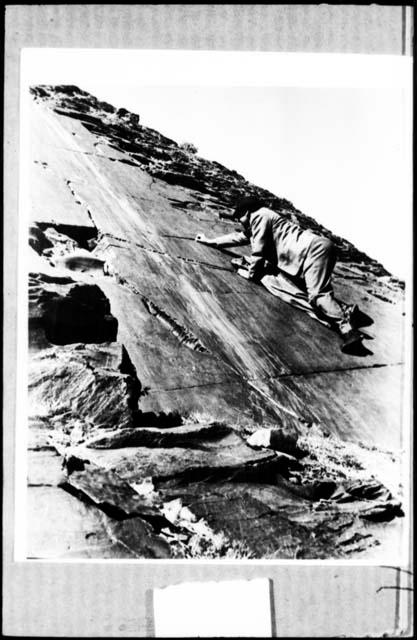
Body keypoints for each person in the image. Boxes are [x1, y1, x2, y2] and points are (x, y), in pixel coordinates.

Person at [195, 196, 368, 353]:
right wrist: (211, 241)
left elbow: (259, 251)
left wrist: (251, 274)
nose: (240, 223)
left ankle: (349, 332)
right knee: (313, 290)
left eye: (239, 218)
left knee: (317, 295)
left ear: (246, 212)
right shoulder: (262, 218)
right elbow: (239, 237)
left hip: (312, 251)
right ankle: (348, 311)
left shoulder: (259, 216)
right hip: (312, 251)